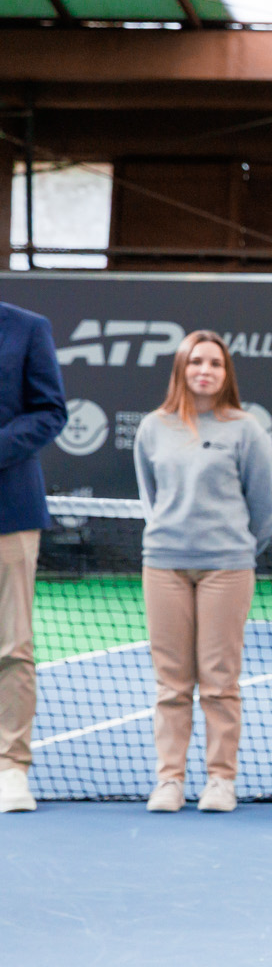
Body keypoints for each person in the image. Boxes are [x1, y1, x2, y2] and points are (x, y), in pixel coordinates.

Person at [134, 331, 272, 813]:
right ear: (181, 368)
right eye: (196, 362)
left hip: (227, 568)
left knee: (219, 682)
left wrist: (234, 548)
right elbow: (151, 496)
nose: (205, 371)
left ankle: (220, 781)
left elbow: (262, 506)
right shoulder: (153, 427)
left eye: (215, 363)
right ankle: (169, 781)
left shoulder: (247, 429)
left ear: (226, 373)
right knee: (172, 684)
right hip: (164, 565)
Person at [0, 300, 65, 815]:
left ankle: (10, 766)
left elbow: (50, 412)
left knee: (11, 645)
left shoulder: (27, 327)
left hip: (9, 512)